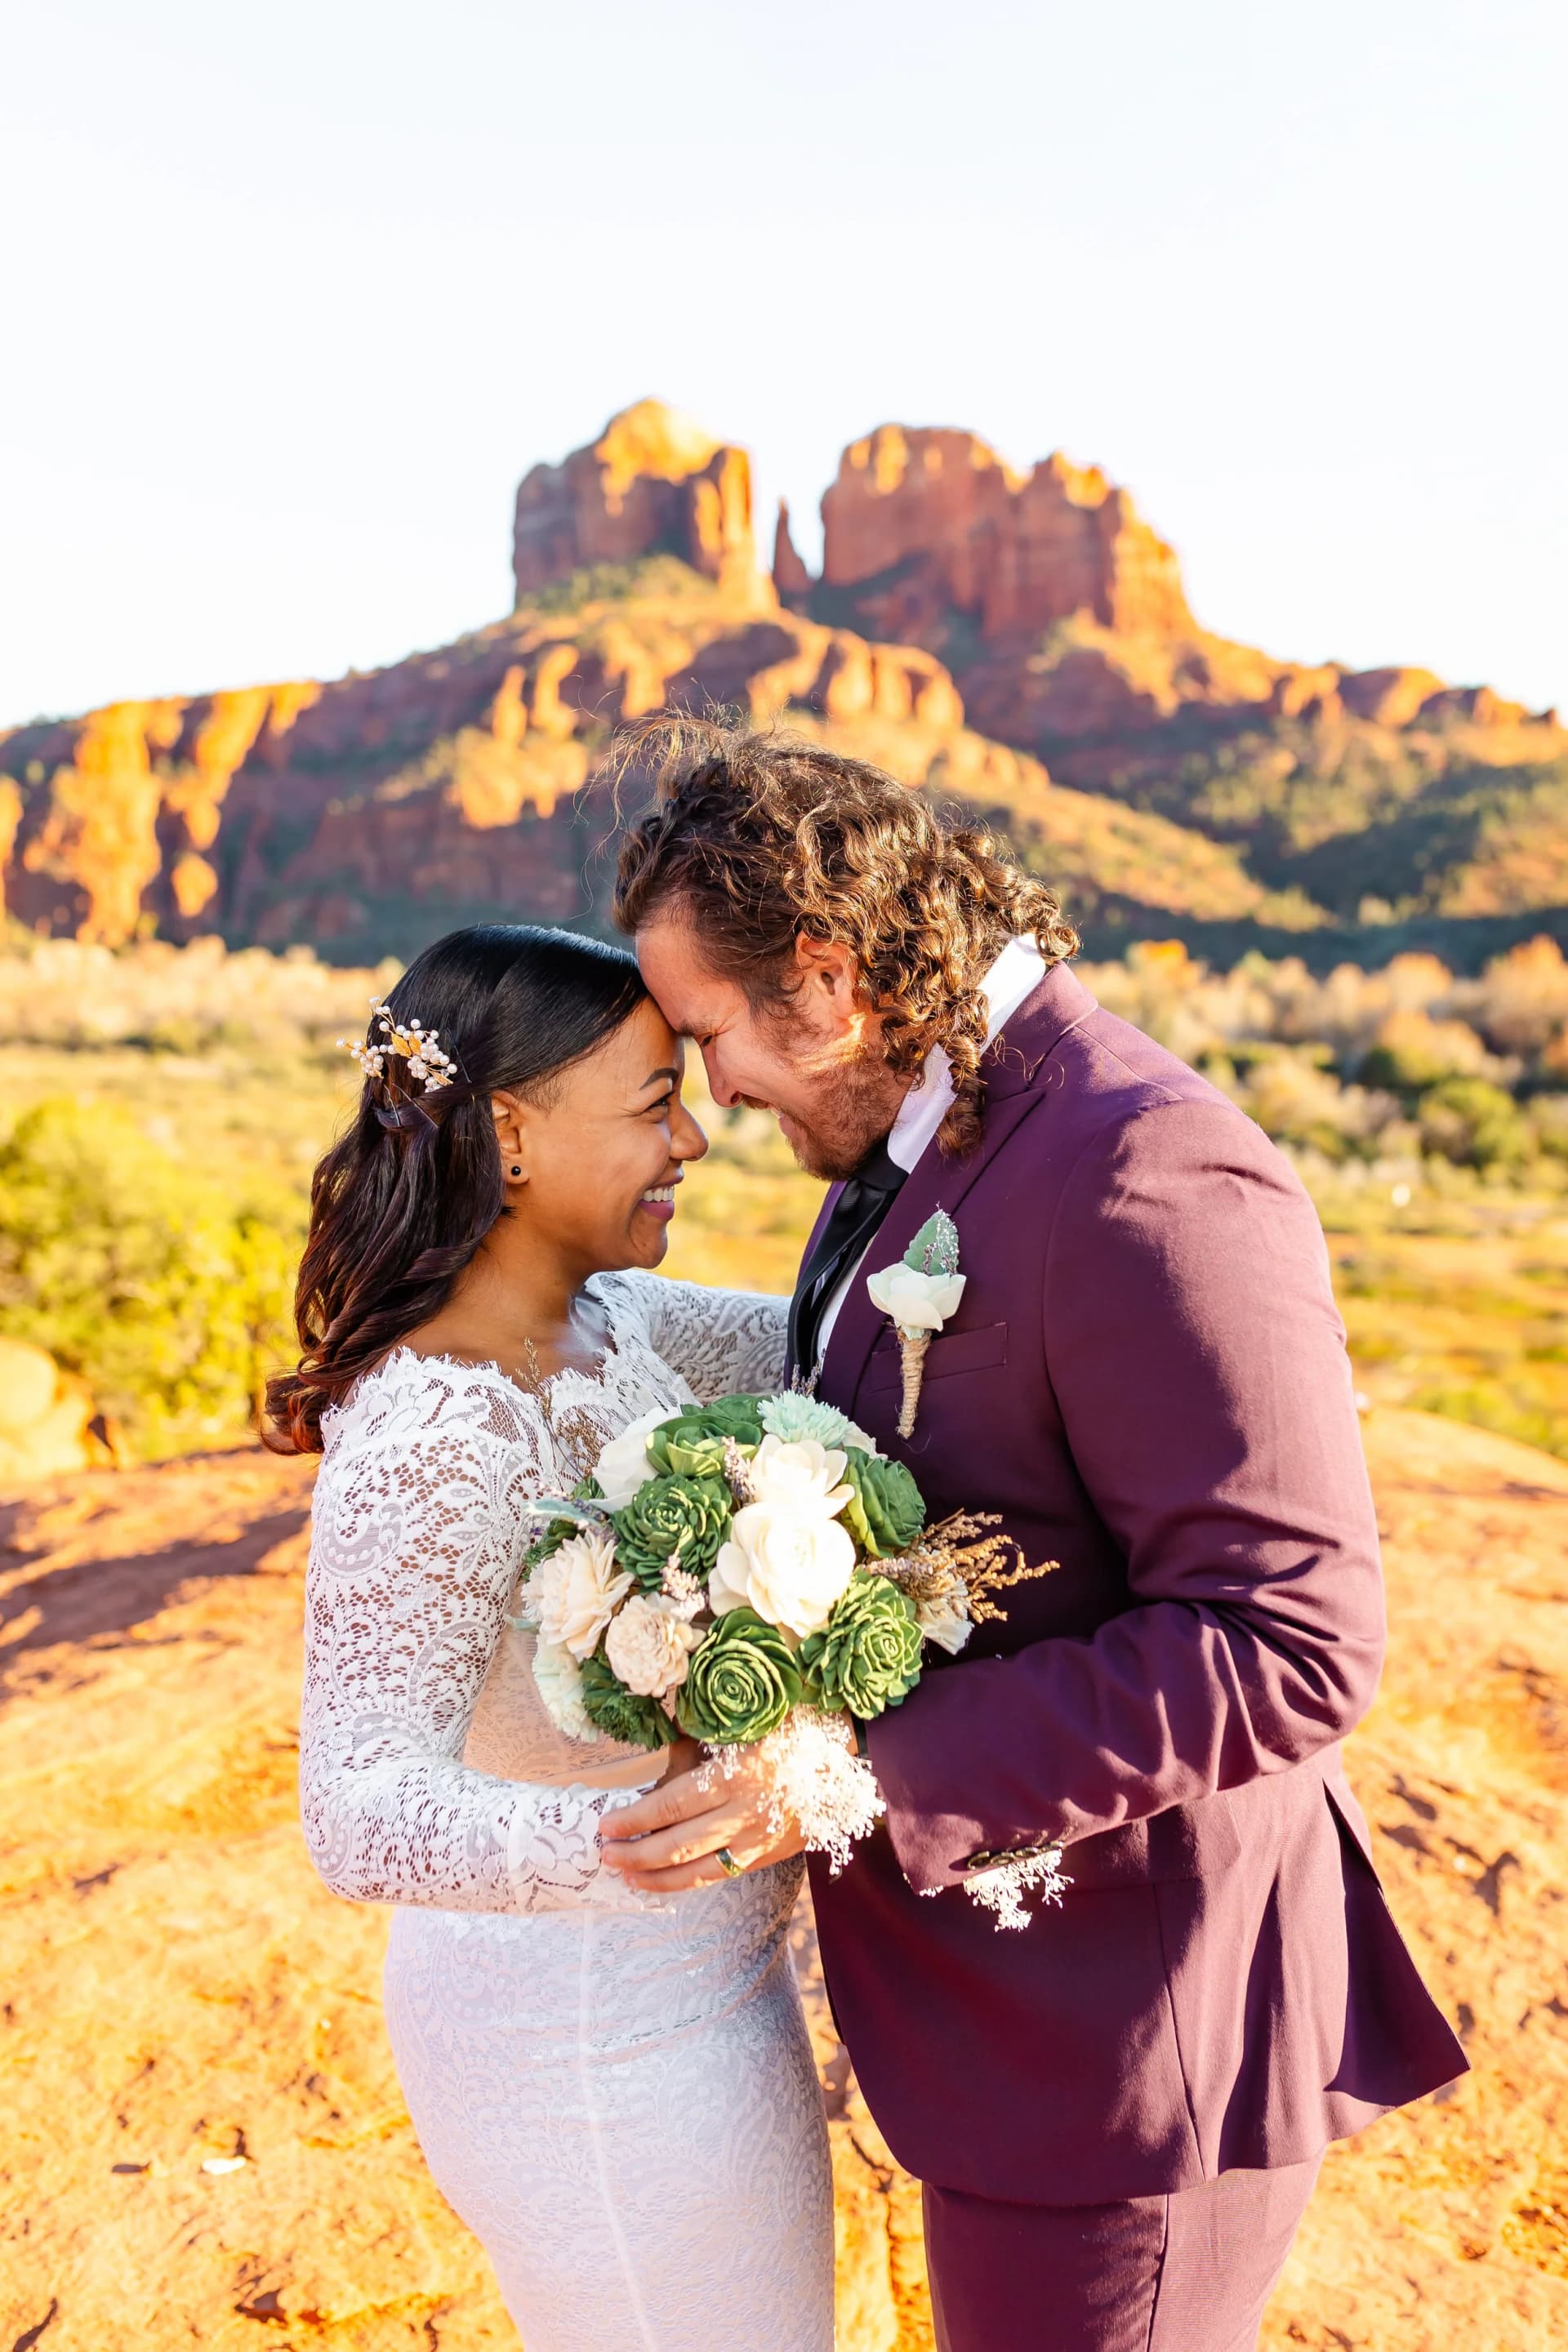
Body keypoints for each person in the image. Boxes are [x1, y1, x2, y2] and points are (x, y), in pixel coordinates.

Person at [602, 719, 1468, 2352]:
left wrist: (860, 1764)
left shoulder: (1148, 1170)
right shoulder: (921, 1143)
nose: (711, 1096)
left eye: (713, 1035)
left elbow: (1289, 1641)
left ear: (831, 977)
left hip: (1131, 2038)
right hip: (1019, 2033)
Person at [270, 924, 833, 2352]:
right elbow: (354, 1805)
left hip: (718, 1987)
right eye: (654, 1104)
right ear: (510, 1135)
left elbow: (855, 1351)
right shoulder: (433, 1433)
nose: (696, 1138)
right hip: (584, 2040)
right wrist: (648, 1837)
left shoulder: (618, 1320)